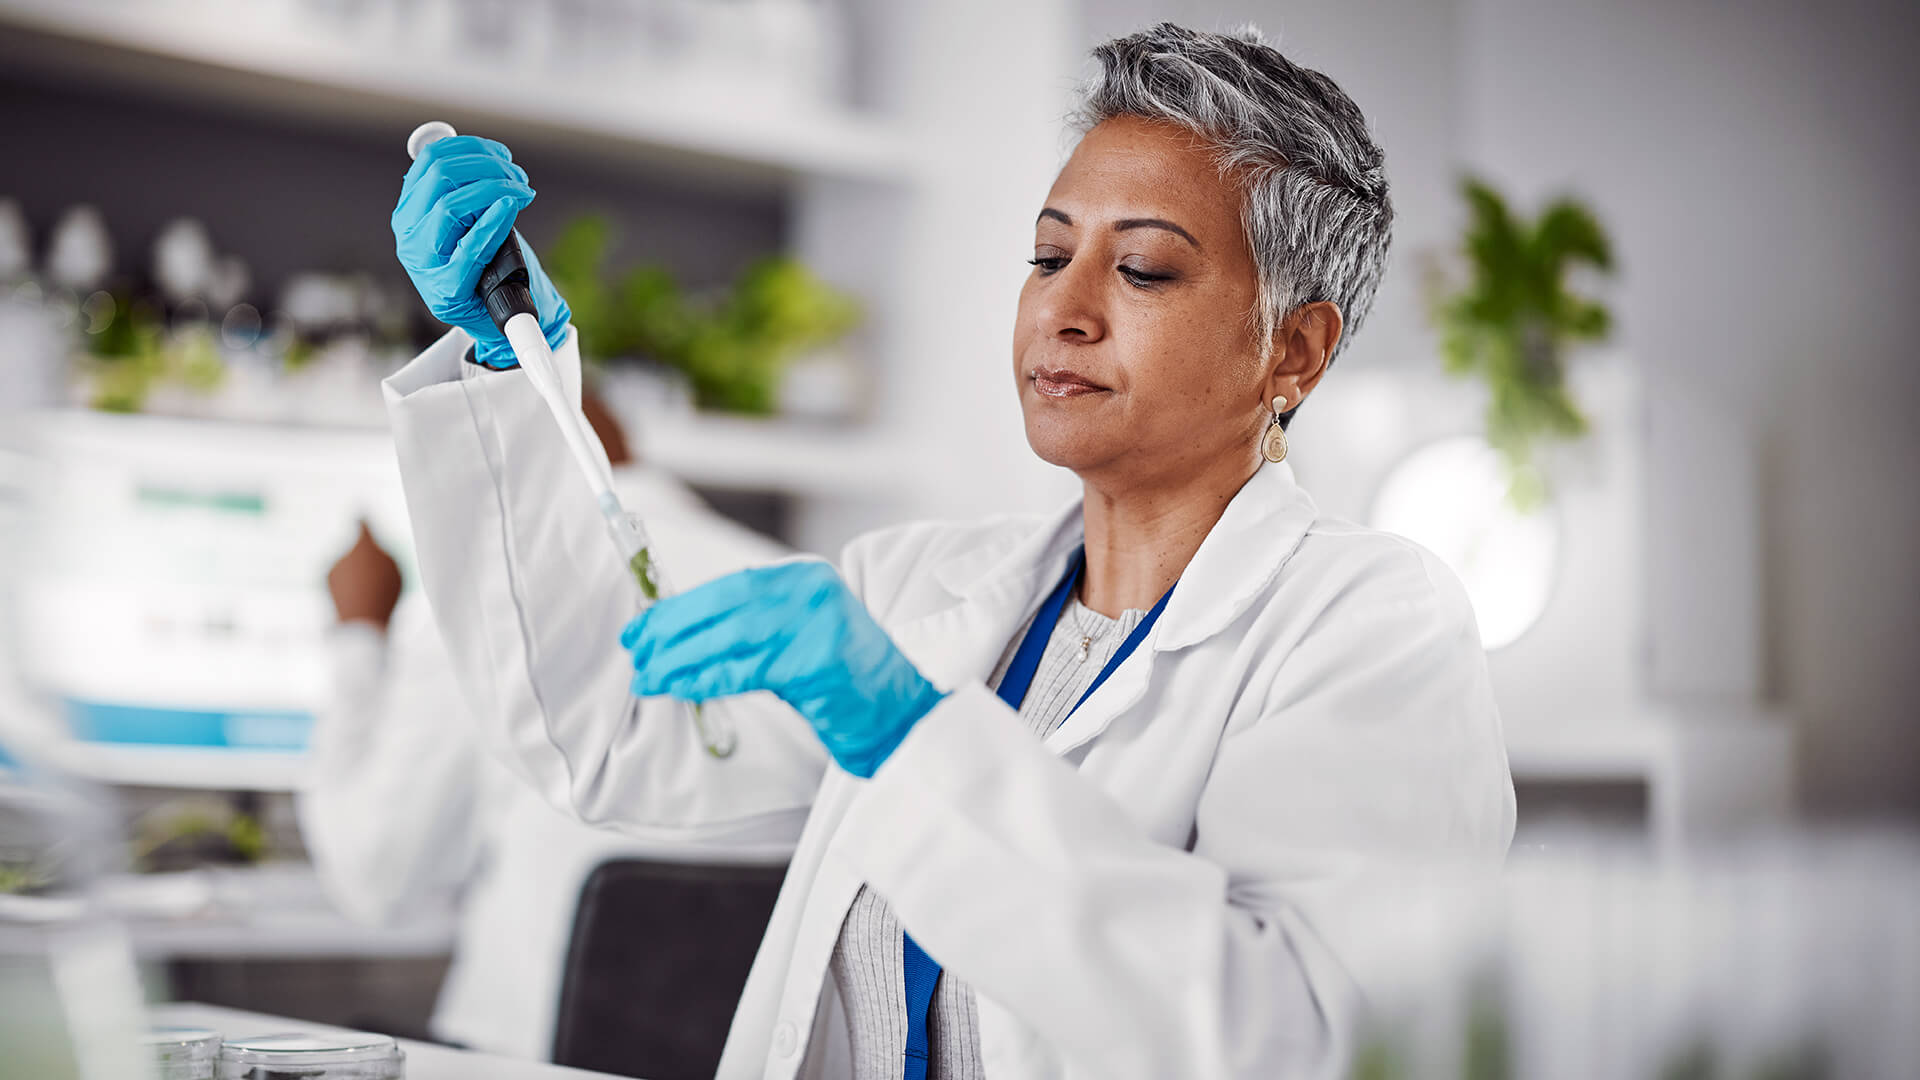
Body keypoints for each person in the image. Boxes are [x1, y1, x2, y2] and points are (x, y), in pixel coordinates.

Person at [380, 22, 1514, 1080]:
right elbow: (602, 738)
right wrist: (505, 364)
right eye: (1046, 255)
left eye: (1145, 269)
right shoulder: (920, 590)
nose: (1062, 310)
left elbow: (1303, 1041)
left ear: (1296, 350)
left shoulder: (1371, 627)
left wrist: (910, 736)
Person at [297, 394, 793, 1060]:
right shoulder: (802, 595)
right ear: (617, 433)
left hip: (527, 1062)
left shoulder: (495, 614)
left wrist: (359, 634)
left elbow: (374, 881)